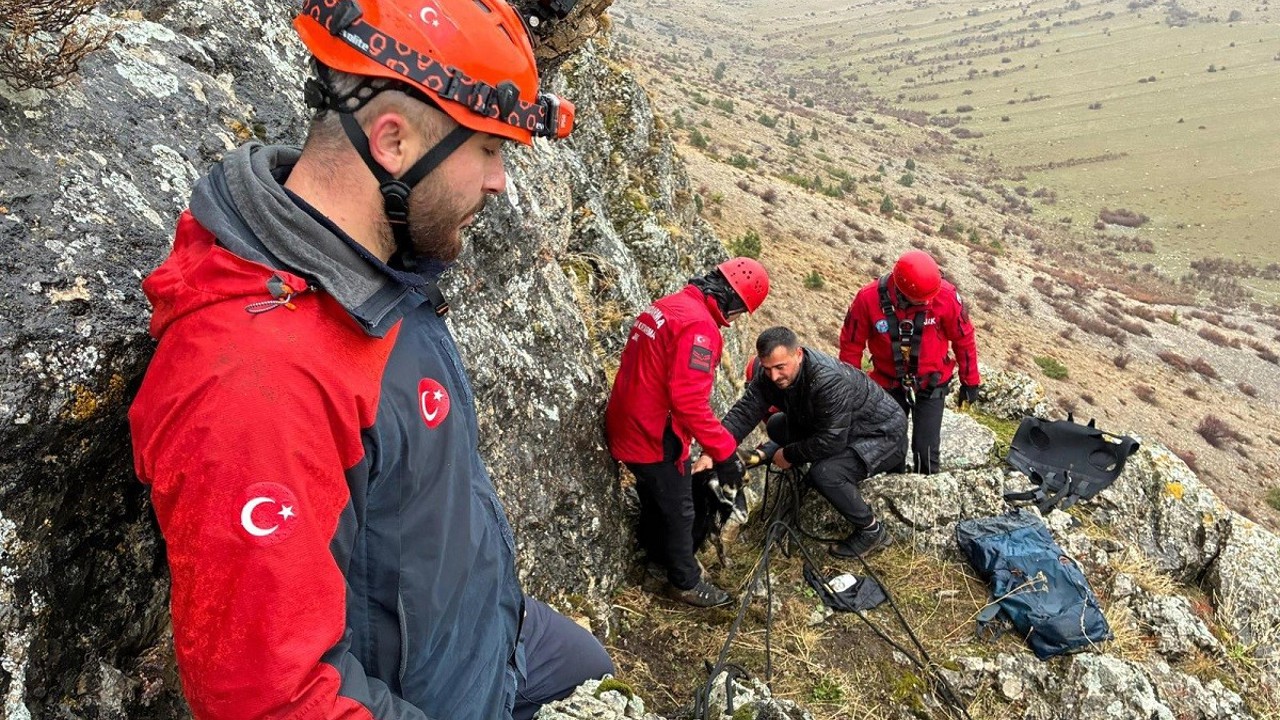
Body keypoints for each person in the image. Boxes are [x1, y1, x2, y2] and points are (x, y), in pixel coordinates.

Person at [128, 1, 611, 718]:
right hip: (428, 696)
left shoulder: (374, 269)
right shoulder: (255, 383)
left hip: (488, 635)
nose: (500, 181)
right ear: (392, 141)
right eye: (487, 149)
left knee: (591, 668)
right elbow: (270, 699)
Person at [605, 259, 770, 607]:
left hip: (627, 418)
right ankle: (684, 581)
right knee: (680, 509)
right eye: (741, 312)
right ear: (735, 302)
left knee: (655, 495)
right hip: (651, 433)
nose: (737, 319)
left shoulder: (668, 306)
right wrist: (724, 453)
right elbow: (689, 402)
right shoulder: (699, 328)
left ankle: (655, 559)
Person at [722, 327, 906, 558]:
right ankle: (772, 451)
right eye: (768, 368)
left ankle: (872, 531)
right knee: (777, 425)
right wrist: (716, 448)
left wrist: (789, 455)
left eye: (780, 367)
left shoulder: (828, 381)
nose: (774, 376)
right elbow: (745, 411)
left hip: (880, 433)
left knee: (825, 473)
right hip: (838, 425)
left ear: (798, 354)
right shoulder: (770, 375)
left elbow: (832, 440)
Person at [839, 250, 980, 475]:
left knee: (926, 449)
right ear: (901, 290)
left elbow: (964, 339)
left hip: (931, 383)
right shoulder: (868, 299)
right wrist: (851, 389)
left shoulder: (945, 296)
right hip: (888, 383)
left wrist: (970, 381)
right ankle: (894, 484)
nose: (927, 301)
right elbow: (851, 344)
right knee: (890, 444)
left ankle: (928, 490)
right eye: (921, 298)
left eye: (929, 296)